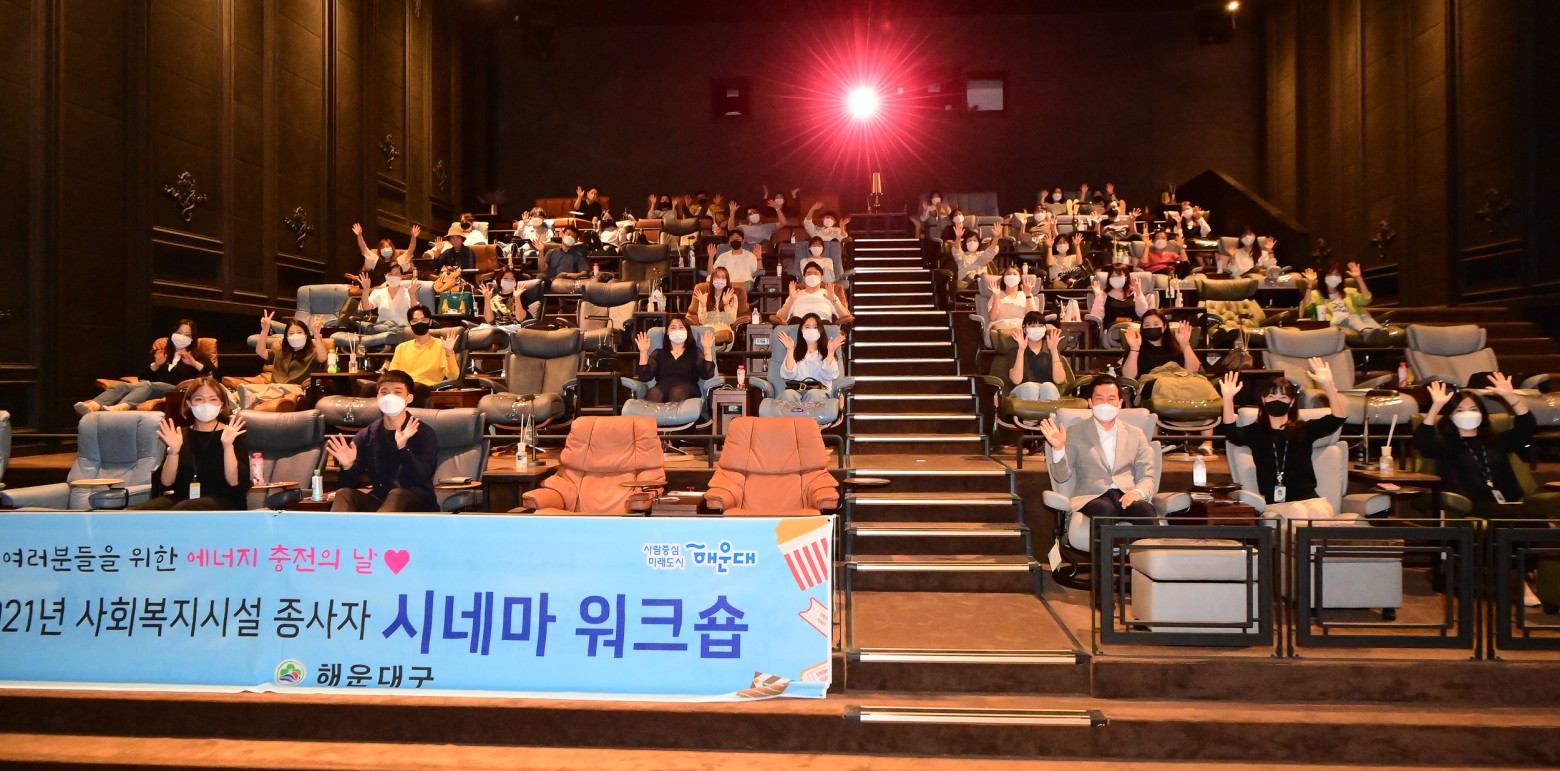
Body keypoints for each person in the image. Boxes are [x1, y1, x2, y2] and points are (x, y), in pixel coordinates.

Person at [1218, 364, 1346, 520]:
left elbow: (1338, 418)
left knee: (1318, 510)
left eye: (1283, 397)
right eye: (1271, 396)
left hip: (1310, 499)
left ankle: (1319, 537)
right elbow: (1232, 432)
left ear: (1291, 402)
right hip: (1277, 504)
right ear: (1263, 399)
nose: (1276, 401)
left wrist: (1329, 386)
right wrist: (1228, 398)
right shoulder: (1256, 431)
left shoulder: (1303, 429)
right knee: (1298, 511)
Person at [1038, 375, 1162, 524]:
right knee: (1104, 510)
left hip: (1127, 493)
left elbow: (1147, 475)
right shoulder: (1075, 432)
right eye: (1099, 399)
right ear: (1090, 402)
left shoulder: (1136, 434)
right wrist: (1058, 448)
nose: (1105, 404)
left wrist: (1138, 492)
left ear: (1120, 403)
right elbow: (1061, 476)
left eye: (1111, 399)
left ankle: (1148, 541)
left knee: (1145, 510)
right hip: (1092, 497)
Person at [326, 369, 439, 512]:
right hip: (380, 501)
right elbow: (348, 483)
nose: (390, 397)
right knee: (344, 494)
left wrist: (403, 448)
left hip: (416, 503)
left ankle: (378, 525)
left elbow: (420, 477)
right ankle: (337, 527)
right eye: (384, 392)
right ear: (378, 397)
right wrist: (348, 466)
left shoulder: (423, 432)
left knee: (397, 494)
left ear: (409, 398)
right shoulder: (366, 435)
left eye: (397, 392)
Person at [138, 377, 250, 510]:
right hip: (183, 497)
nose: (206, 404)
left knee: (184, 508)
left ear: (221, 405)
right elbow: (167, 483)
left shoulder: (232, 433)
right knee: (144, 511)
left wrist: (227, 445)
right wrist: (174, 450)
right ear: (189, 404)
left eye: (213, 399)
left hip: (225, 500)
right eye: (199, 399)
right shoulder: (179, 435)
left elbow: (234, 482)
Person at [76, 319, 215, 414]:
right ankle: (92, 406)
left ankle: (121, 407)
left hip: (176, 391)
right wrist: (156, 365)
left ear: (192, 339)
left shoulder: (196, 355)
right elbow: (141, 377)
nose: (181, 336)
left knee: (148, 385)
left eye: (187, 334)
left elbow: (215, 375)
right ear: (173, 333)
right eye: (179, 333)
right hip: (151, 388)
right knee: (121, 386)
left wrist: (193, 362)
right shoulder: (161, 352)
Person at [385, 305, 460, 405]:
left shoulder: (441, 345)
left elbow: (453, 376)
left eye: (423, 320)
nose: (419, 323)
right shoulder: (401, 347)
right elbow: (392, 375)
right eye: (415, 321)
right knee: (369, 388)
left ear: (430, 322)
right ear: (410, 324)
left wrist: (449, 351)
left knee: (416, 387)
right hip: (403, 387)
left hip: (426, 387)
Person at [634, 318, 716, 403]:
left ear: (687, 331)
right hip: (662, 387)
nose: (677, 330)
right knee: (653, 393)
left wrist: (707, 349)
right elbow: (644, 377)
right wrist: (643, 352)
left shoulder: (695, 352)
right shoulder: (658, 353)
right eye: (673, 327)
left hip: (688, 388)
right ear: (667, 332)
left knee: (677, 392)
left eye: (681, 327)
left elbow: (707, 374)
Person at [1302, 262, 1388, 341]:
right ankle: (1366, 332)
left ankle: (1380, 332)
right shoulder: (1316, 294)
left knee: (1364, 317)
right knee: (1352, 317)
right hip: (1335, 323)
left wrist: (1358, 278)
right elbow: (1307, 306)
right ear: (1324, 277)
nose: (1333, 277)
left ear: (1341, 278)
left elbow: (1366, 299)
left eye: (1336, 274)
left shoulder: (1348, 292)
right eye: (1330, 274)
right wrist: (1310, 283)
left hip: (1354, 321)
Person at [521, 225, 591, 318]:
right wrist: (541, 252)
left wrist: (568, 275)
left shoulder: (577, 255)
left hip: (567, 282)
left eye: (573, 236)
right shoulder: (552, 252)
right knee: (539, 277)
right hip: (551, 280)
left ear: (575, 240)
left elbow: (584, 272)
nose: (570, 237)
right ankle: (532, 311)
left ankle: (563, 308)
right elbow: (542, 268)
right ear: (562, 234)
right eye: (568, 234)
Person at [775, 313, 845, 402]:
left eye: (815, 327)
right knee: (788, 394)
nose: (811, 330)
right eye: (807, 327)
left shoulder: (827, 351)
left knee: (814, 394)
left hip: (820, 392)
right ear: (801, 330)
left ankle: (807, 412)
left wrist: (831, 352)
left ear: (820, 330)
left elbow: (829, 375)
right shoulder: (794, 352)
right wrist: (790, 349)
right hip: (797, 391)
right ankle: (794, 412)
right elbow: (788, 374)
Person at [255, 312, 328, 387]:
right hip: (274, 387)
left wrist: (317, 335)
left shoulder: (313, 353)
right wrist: (264, 331)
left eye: (299, 332)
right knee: (251, 389)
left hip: (295, 388)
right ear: (287, 337)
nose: (295, 335)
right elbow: (260, 351)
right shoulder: (280, 351)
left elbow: (323, 358)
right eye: (291, 333)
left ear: (306, 335)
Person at [1122, 311, 1199, 380]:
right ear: (1142, 328)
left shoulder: (1175, 348)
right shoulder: (1136, 349)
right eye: (1147, 325)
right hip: (1153, 387)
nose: (1152, 327)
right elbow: (1129, 376)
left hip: (1179, 385)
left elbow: (1193, 370)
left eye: (1156, 324)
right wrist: (1134, 348)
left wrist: (1185, 344)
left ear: (1164, 326)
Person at [1006, 314, 1067, 402]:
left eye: (1040, 326)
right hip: (1022, 389)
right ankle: (1028, 412)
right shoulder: (1015, 351)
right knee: (1030, 387)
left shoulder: (1050, 349)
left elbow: (1059, 380)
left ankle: (1049, 411)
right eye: (1033, 326)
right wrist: (1021, 350)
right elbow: (1016, 380)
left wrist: (1054, 350)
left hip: (1046, 389)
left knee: (1048, 386)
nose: (1037, 329)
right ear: (1024, 329)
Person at [776, 261, 851, 324]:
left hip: (822, 328)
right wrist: (791, 300)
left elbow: (846, 317)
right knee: (795, 321)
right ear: (804, 278)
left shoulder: (829, 294)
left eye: (816, 273)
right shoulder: (796, 294)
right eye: (809, 274)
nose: (812, 276)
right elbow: (780, 318)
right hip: (799, 328)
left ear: (822, 278)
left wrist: (833, 299)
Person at [687, 266, 746, 345]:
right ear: (712, 279)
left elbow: (732, 320)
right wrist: (704, 305)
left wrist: (726, 304)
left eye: (723, 277)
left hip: (724, 332)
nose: (720, 280)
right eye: (717, 277)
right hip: (707, 330)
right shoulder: (704, 297)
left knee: (713, 338)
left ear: (727, 280)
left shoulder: (733, 297)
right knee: (702, 335)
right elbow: (702, 321)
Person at [356, 263, 422, 332]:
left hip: (401, 330)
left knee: (371, 329)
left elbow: (414, 313)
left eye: (396, 274)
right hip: (382, 329)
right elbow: (366, 307)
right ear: (385, 276)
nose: (393, 277)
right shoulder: (378, 292)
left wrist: (412, 295)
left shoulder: (407, 292)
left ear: (401, 276)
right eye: (390, 274)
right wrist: (366, 289)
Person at [987, 263, 1043, 334]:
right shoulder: (996, 294)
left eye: (1015, 274)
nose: (1011, 276)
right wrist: (996, 296)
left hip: (1022, 327)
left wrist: (1028, 295)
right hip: (1001, 328)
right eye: (1008, 274)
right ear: (1003, 278)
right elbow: (993, 318)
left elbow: (1032, 318)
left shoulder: (1026, 294)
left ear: (1020, 278)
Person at [352, 223, 420, 276]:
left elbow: (411, 250)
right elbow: (364, 249)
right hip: (379, 288)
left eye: (387, 246)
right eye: (382, 248)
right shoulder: (374, 260)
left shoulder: (400, 261)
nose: (385, 249)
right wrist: (359, 236)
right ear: (379, 251)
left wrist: (413, 237)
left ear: (392, 248)